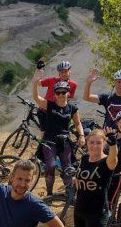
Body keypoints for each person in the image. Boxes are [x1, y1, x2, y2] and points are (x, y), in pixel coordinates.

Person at [32, 68, 84, 196]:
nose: (61, 95)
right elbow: (36, 97)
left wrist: (81, 135)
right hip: (49, 139)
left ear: (68, 93)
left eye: (63, 92)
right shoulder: (50, 105)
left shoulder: (72, 108)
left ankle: (69, 193)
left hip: (64, 140)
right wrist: (35, 82)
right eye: (58, 92)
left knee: (68, 167)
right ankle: (49, 193)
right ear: (54, 94)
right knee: (50, 165)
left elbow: (77, 123)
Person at [83, 68, 121, 137]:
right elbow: (87, 97)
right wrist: (88, 83)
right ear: (114, 82)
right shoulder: (107, 97)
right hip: (108, 135)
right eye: (118, 82)